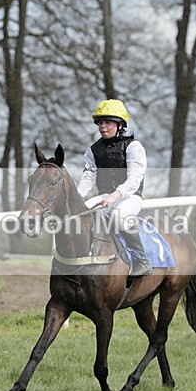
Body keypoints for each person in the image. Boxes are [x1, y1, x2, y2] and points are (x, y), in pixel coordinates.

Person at [76, 99, 152, 276]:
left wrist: (115, 195)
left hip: (130, 197)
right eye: (100, 123)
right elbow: (88, 176)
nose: (103, 127)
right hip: (104, 196)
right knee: (80, 215)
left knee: (119, 217)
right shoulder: (93, 150)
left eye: (108, 122)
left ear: (120, 125)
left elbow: (134, 179)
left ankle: (141, 260)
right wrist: (78, 197)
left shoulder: (133, 146)